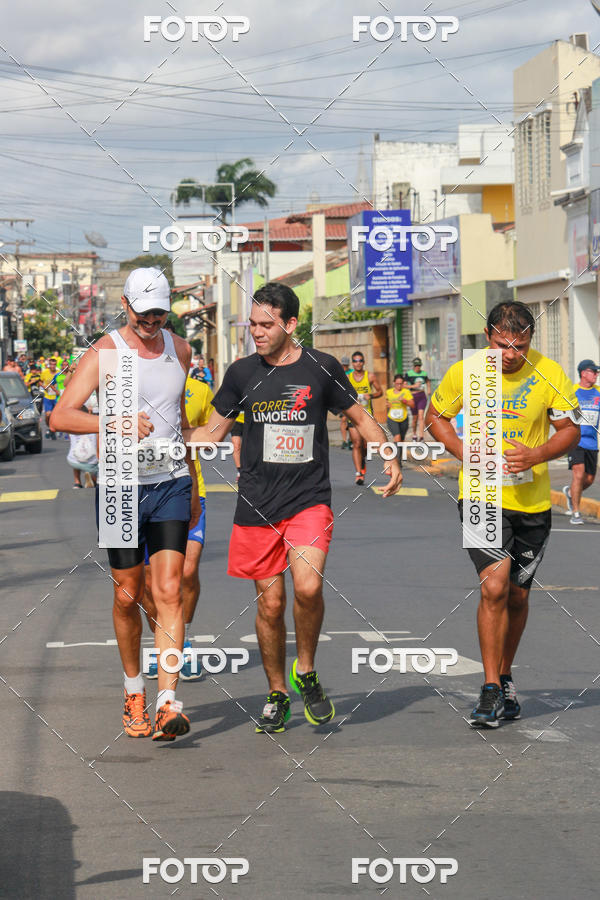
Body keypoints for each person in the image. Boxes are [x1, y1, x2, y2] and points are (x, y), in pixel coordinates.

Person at [184, 282, 402, 734]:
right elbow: (213, 432)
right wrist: (161, 443)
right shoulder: (242, 374)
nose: (257, 332)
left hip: (308, 500)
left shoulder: (322, 368)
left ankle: (307, 670)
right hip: (257, 504)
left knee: (306, 588)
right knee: (270, 604)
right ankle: (278, 692)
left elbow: (359, 417)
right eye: (252, 324)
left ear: (290, 324)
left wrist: (389, 453)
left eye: (266, 325)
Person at [51, 267, 200, 743]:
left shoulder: (180, 349)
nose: (151, 321)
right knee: (127, 594)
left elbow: (176, 421)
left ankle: (168, 701)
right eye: (143, 312)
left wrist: (194, 485)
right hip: (119, 484)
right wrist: (110, 422)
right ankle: (133, 689)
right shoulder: (104, 352)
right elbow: (61, 414)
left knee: (169, 590)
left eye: (159, 312)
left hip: (171, 481)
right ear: (126, 304)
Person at [425, 301, 580, 728]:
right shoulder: (468, 372)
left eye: (520, 344)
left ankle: (505, 673)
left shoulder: (550, 372)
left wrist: (537, 454)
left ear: (531, 338)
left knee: (517, 595)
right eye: (501, 344)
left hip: (532, 502)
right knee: (494, 587)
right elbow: (435, 416)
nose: (510, 354)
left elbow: (570, 430)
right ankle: (490, 687)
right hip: (481, 495)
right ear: (488, 335)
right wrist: (465, 453)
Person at [143, 371, 213, 681]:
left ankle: (180, 639)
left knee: (186, 571)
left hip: (185, 488)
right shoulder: (132, 383)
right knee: (146, 583)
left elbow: (212, 432)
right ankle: (164, 640)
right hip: (138, 491)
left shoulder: (200, 390)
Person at [563, 359, 600, 525]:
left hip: (592, 442)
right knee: (578, 473)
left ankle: (570, 493)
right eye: (594, 371)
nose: (596, 375)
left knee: (590, 478)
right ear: (584, 373)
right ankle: (575, 512)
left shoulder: (598, 392)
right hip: (575, 440)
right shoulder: (573, 391)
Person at [347, 351, 382, 484]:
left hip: (367, 416)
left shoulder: (370, 376)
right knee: (356, 443)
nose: (358, 363)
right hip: (353, 415)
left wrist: (370, 396)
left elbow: (380, 392)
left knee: (366, 446)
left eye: (360, 360)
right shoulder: (348, 377)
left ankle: (363, 462)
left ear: (364, 362)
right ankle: (358, 473)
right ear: (352, 363)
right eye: (355, 361)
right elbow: (342, 393)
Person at [67, 418, 99, 489]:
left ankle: (77, 482)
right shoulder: (94, 427)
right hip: (91, 460)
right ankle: (93, 478)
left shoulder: (71, 428)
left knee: (74, 455)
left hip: (74, 460)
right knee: (95, 468)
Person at [385, 374, 415, 447]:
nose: (399, 385)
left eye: (401, 384)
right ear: (394, 383)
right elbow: (386, 402)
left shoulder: (406, 392)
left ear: (403, 383)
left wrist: (405, 401)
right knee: (397, 437)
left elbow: (413, 405)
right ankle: (395, 457)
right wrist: (387, 404)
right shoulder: (388, 392)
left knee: (401, 440)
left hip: (403, 419)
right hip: (392, 418)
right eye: (397, 384)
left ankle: (399, 457)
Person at [405, 357, 430, 441]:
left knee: (421, 416)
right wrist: (413, 386)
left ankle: (421, 437)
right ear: (413, 366)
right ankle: (414, 434)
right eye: (416, 365)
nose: (417, 367)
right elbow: (404, 385)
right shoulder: (409, 374)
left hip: (422, 396)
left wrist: (429, 390)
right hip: (413, 396)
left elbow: (427, 381)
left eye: (419, 365)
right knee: (415, 418)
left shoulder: (424, 373)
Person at [40, 357, 61, 440]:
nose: (52, 366)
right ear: (49, 365)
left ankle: (52, 430)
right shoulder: (45, 372)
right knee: (48, 414)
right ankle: (50, 428)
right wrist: (44, 386)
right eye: (51, 364)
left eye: (54, 365)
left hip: (56, 397)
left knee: (55, 415)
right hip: (47, 396)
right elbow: (40, 381)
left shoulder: (58, 373)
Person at [339, 356, 353, 449]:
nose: (344, 367)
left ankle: (351, 440)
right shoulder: (338, 372)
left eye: (346, 365)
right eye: (343, 365)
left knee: (351, 420)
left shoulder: (352, 372)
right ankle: (344, 440)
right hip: (341, 398)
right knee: (344, 419)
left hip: (351, 397)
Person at [231, 411, 244, 481]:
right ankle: (240, 472)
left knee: (251, 446)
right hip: (236, 420)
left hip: (251, 418)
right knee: (236, 446)